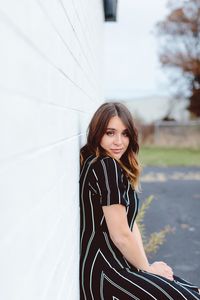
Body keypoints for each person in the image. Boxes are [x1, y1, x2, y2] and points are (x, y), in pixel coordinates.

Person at [79, 102, 200, 299]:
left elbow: (130, 223)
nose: (119, 141)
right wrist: (148, 270)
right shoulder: (105, 166)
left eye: (125, 134)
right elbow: (121, 235)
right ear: (97, 132)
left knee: (190, 290)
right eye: (110, 133)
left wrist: (146, 268)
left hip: (119, 265)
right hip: (107, 273)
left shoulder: (103, 163)